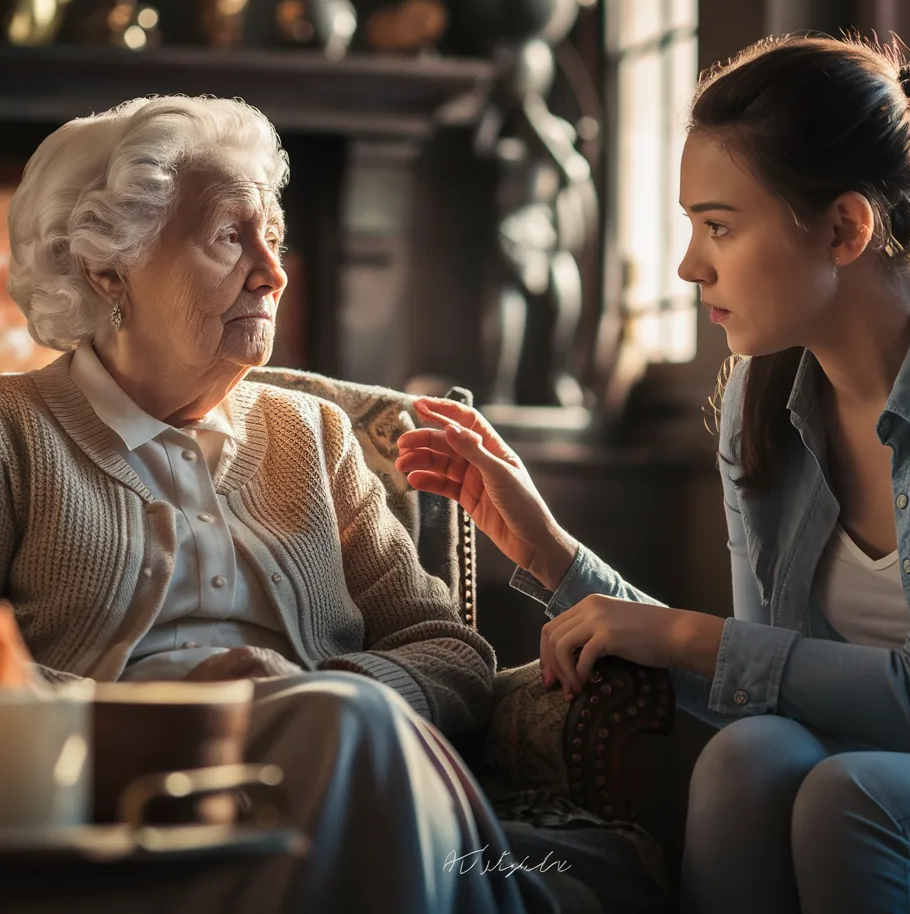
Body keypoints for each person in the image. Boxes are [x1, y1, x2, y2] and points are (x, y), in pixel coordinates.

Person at [396, 34, 910, 913]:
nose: (691, 265)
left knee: (856, 797)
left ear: (846, 228)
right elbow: (764, 693)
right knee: (751, 753)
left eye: (719, 226)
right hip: (872, 778)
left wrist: (679, 635)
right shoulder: (758, 402)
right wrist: (550, 555)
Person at [0, 95, 555, 914]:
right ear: (106, 268)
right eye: (231, 236)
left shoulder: (316, 436)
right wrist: (156, 715)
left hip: (337, 756)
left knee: (345, 718)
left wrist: (320, 690)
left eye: (276, 239)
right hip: (122, 797)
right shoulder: (16, 432)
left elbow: (449, 651)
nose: (273, 271)